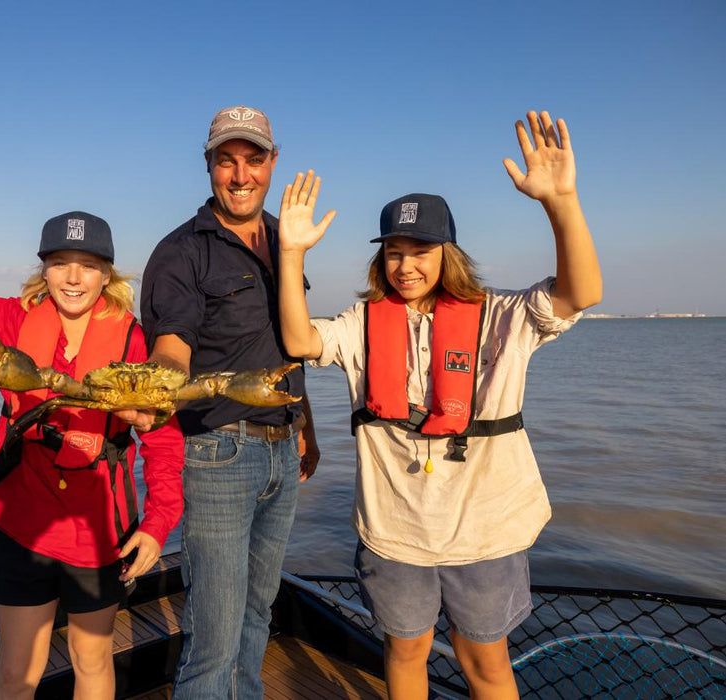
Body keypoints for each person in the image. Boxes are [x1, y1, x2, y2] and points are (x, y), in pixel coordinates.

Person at [277, 111, 601, 699]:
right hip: (394, 532)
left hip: (486, 532)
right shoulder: (362, 324)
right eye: (394, 252)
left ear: (448, 252)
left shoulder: (501, 317)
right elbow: (301, 343)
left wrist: (561, 201)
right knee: (405, 653)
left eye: (421, 249)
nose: (406, 265)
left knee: (486, 665)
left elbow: (581, 293)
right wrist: (291, 254)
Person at [0, 122, 184, 699]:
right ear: (43, 268)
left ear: (108, 274)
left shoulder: (135, 343)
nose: (74, 277)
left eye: (89, 265)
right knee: (15, 674)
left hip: (101, 530)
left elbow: (164, 441)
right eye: (60, 263)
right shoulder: (10, 322)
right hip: (23, 523)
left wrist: (157, 524)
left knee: (93, 662)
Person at [134, 106, 320, 699]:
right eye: (227, 161)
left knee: (258, 615)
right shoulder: (181, 252)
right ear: (209, 166)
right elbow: (172, 347)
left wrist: (306, 427)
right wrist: (158, 383)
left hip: (282, 449)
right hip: (218, 454)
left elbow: (290, 342)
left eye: (254, 159)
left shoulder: (283, 239)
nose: (241, 176)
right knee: (213, 639)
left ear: (272, 163)